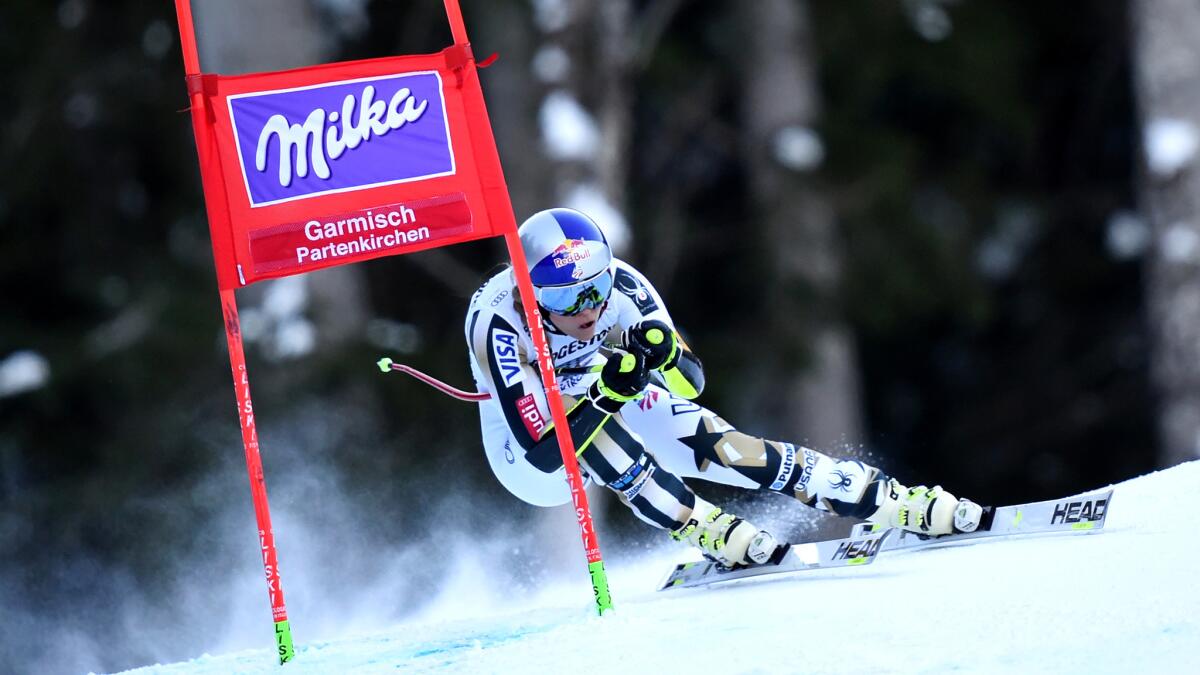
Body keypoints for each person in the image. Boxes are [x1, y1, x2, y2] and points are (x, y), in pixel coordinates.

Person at [465, 207, 982, 568]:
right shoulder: (498, 325)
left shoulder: (624, 286)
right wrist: (606, 394)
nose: (589, 309)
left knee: (718, 445)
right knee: (596, 439)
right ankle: (702, 526)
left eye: (596, 288)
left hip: (599, 391)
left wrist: (664, 353)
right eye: (567, 298)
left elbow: (689, 384)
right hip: (526, 452)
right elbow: (544, 455)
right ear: (530, 294)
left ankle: (874, 496)